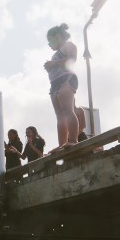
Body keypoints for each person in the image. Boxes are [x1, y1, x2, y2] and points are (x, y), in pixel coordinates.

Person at [44, 23, 80, 152]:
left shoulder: (68, 45)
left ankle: (73, 140)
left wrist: (53, 63)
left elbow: (72, 59)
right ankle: (62, 144)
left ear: (57, 36)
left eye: (50, 40)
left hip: (66, 79)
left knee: (67, 110)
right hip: (55, 84)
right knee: (59, 116)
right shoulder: (57, 52)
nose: (49, 44)